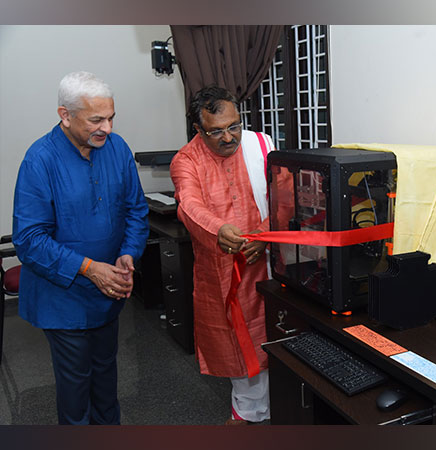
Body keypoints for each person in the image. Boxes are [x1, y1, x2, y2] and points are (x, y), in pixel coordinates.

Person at [12, 71, 149, 425]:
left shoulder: (116, 149)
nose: (107, 127)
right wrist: (90, 268)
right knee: (76, 393)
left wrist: (128, 254)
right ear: (65, 115)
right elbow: (29, 241)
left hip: (109, 291)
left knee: (106, 383)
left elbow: (135, 209)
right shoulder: (39, 160)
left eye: (111, 117)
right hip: (64, 297)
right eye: (96, 119)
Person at [170, 86, 275, 425]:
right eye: (216, 131)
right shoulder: (186, 160)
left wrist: (265, 231)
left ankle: (281, 407)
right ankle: (247, 412)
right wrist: (218, 231)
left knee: (279, 331)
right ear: (198, 131)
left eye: (234, 126)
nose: (229, 137)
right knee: (240, 342)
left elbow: (284, 191)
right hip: (224, 269)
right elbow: (189, 205)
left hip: (270, 261)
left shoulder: (261, 145)